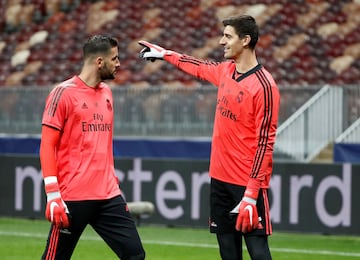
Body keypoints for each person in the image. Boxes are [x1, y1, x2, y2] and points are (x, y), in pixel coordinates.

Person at [139, 14, 280, 260]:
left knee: (258, 252)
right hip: (219, 179)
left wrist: (251, 194)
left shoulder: (264, 86)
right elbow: (198, 66)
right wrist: (165, 54)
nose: (220, 41)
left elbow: (265, 145)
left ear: (245, 40)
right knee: (227, 251)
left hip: (246, 184)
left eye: (227, 36)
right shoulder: (226, 71)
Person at [40, 35, 145, 260]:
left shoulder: (107, 93)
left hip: (108, 194)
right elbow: (47, 144)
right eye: (114, 59)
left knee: (135, 255)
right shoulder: (63, 93)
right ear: (99, 62)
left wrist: (110, 174)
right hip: (73, 197)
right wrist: (53, 194)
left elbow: (102, 143)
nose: (119, 64)